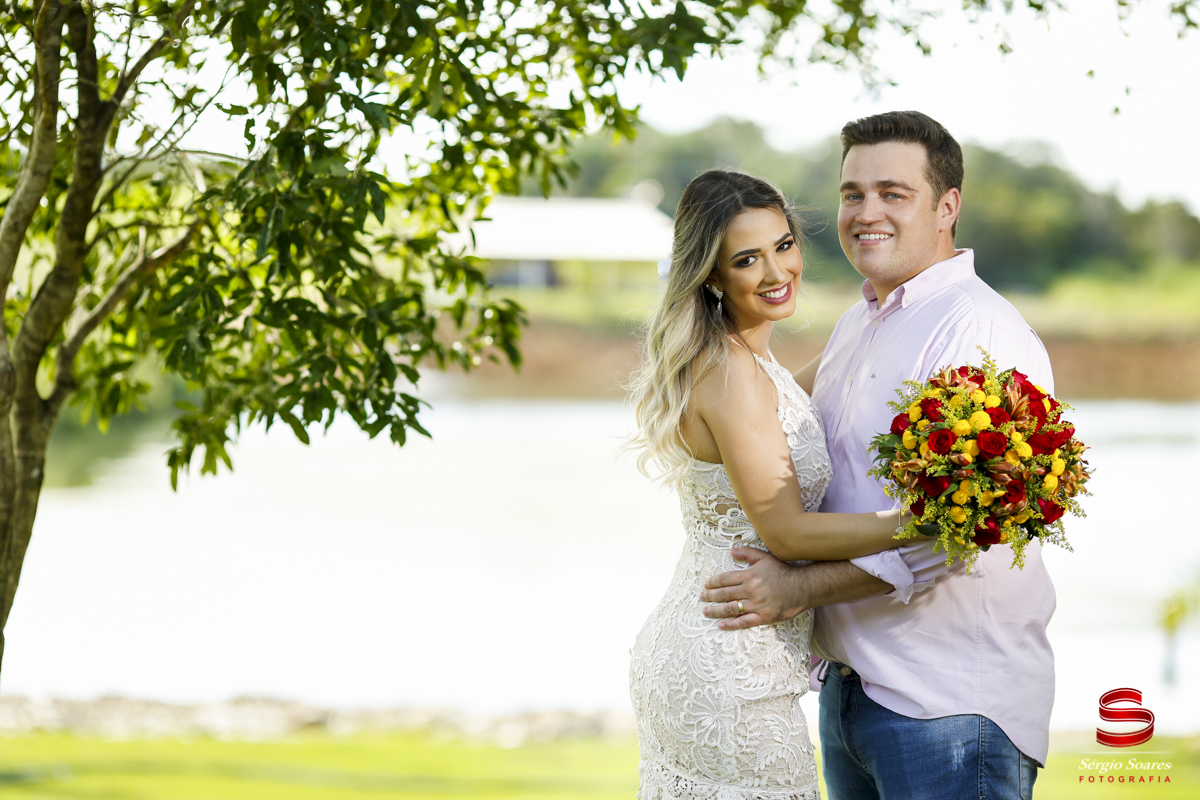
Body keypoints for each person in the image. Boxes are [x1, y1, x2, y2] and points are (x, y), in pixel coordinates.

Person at [700, 111, 1054, 799]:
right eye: (852, 194)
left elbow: (970, 530)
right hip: (852, 692)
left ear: (947, 206)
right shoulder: (859, 319)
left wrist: (797, 587)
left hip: (948, 707)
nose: (866, 213)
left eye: (893, 193)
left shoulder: (977, 332)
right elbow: (766, 419)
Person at [626, 169, 922, 800]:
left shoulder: (752, 364)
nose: (775, 271)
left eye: (783, 245)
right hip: (728, 658)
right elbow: (785, 531)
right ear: (710, 275)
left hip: (716, 643)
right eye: (746, 259)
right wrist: (925, 521)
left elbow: (836, 382)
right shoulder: (731, 375)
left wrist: (885, 315)